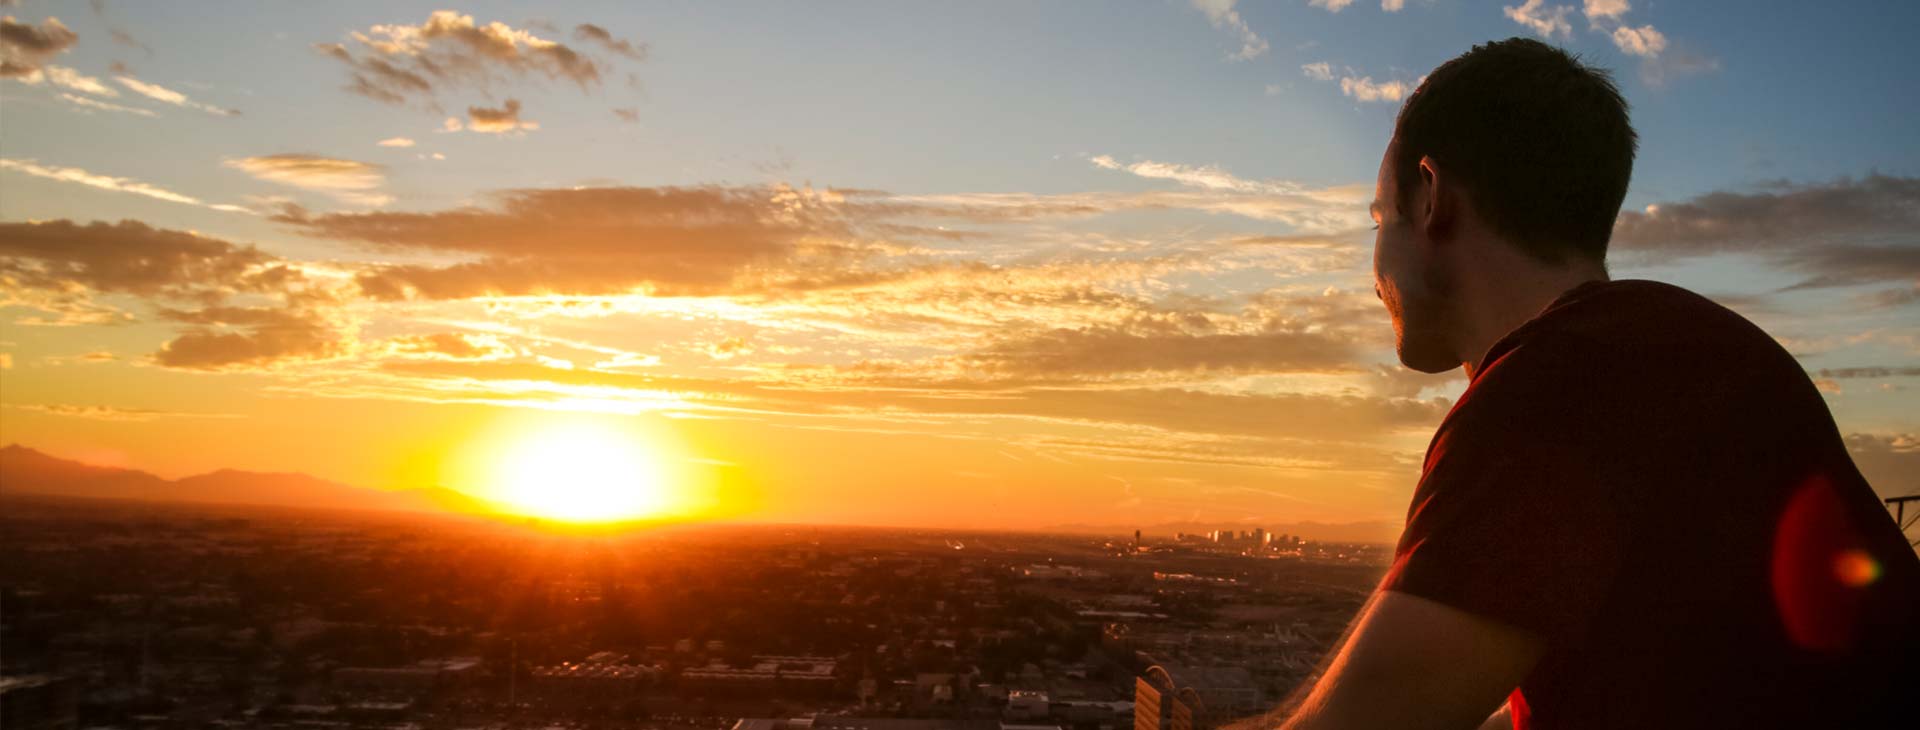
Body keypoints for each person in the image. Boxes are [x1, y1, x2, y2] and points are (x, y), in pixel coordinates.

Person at [1258, 38, 1919, 729]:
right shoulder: (1686, 349)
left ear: (1431, 198)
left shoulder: (1557, 390)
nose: (1374, 269)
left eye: (1379, 218)